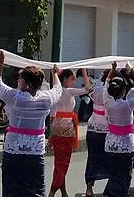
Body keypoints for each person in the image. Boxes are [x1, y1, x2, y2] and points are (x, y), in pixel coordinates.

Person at [0, 52, 62, 197]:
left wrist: (0, 63)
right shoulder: (46, 98)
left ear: (28, 84)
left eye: (21, 79)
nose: (18, 81)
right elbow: (58, 90)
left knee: (12, 189)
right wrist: (55, 74)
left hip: (13, 149)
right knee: (35, 189)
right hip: (35, 150)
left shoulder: (16, 97)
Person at [102, 67, 134, 197]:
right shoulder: (127, 105)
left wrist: (112, 70)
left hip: (110, 143)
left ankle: (109, 193)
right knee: (125, 176)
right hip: (125, 145)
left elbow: (106, 86)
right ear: (123, 91)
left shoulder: (107, 102)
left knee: (113, 174)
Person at [49, 68, 91, 197]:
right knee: (63, 163)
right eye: (72, 79)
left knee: (59, 162)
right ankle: (52, 192)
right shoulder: (68, 91)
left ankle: (63, 191)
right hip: (66, 130)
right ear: (65, 79)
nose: (73, 81)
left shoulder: (55, 92)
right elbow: (88, 89)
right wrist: (84, 73)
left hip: (56, 128)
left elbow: (51, 115)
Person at [84, 69, 113, 197]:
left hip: (93, 128)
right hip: (106, 129)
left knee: (92, 158)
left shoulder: (96, 90)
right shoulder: (111, 92)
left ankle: (89, 188)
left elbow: (87, 87)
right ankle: (110, 187)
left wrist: (84, 72)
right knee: (111, 158)